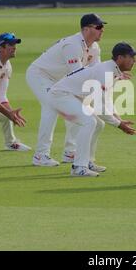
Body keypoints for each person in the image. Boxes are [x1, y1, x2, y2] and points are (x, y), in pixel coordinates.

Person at [47, 42, 136, 177]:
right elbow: (99, 107)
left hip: (73, 96)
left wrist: (119, 119)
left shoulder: (112, 71)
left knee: (98, 123)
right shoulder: (106, 71)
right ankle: (79, 167)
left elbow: (106, 99)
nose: (134, 61)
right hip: (60, 95)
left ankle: (87, 161)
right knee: (89, 122)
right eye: (131, 57)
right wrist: (119, 125)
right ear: (120, 58)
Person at [26, 14, 105, 167]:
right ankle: (40, 155)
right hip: (41, 75)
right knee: (51, 107)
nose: (102, 30)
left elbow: (96, 72)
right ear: (86, 29)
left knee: (78, 110)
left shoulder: (94, 47)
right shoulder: (72, 45)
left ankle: (71, 152)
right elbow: (79, 76)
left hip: (62, 80)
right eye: (99, 27)